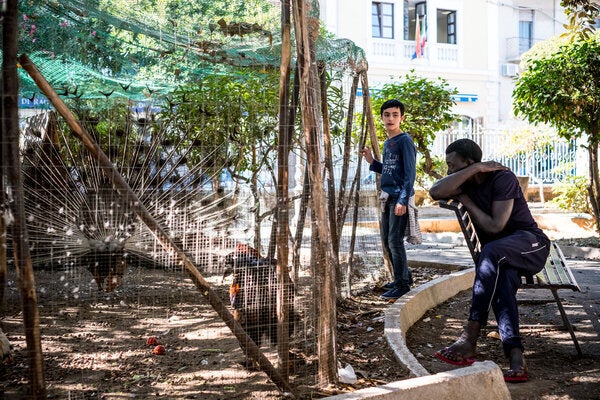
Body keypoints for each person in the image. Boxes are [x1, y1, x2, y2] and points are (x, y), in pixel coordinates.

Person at [429, 138, 550, 383]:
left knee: (492, 251)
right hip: (500, 257)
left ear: (469, 162)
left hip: (529, 245)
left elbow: (496, 226)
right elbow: (435, 191)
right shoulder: (467, 179)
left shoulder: (502, 178)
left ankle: (470, 335)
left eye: (453, 165)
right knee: (502, 285)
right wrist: (471, 171)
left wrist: (468, 198)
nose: (449, 170)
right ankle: (516, 356)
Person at [361, 99, 416, 300]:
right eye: (387, 115)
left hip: (399, 198)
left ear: (402, 117)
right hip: (388, 197)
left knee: (395, 240)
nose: (390, 118)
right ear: (382, 117)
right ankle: (403, 277)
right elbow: (390, 170)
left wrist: (402, 200)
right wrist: (372, 162)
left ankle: (402, 286)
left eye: (395, 114)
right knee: (387, 240)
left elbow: (410, 175)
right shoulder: (388, 142)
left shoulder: (404, 141)